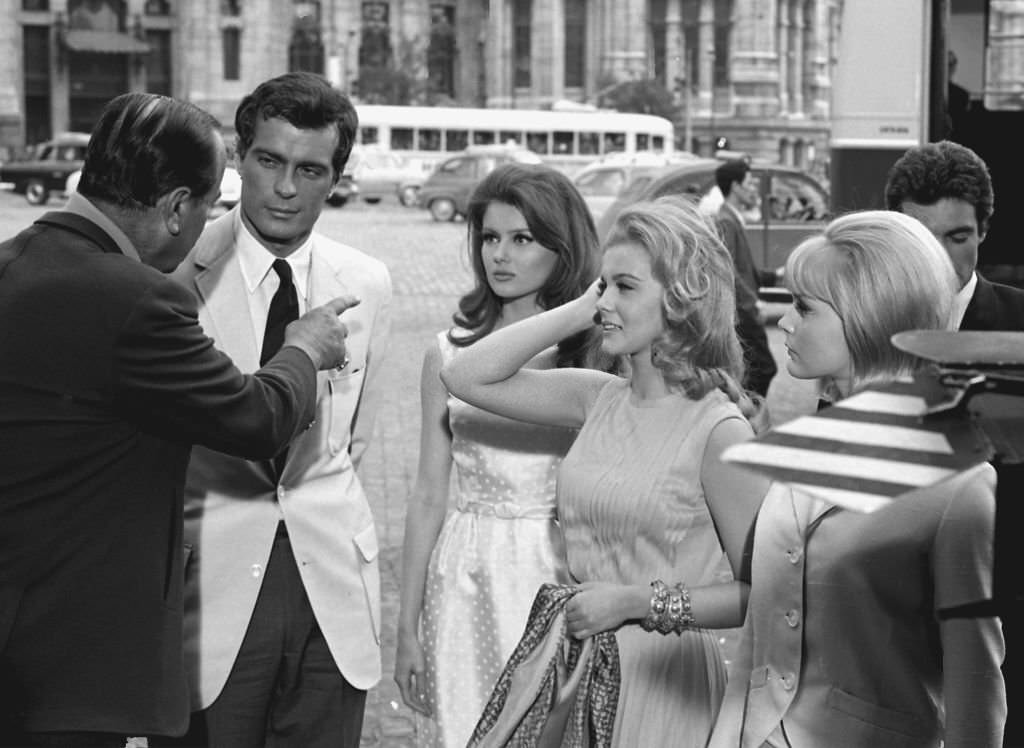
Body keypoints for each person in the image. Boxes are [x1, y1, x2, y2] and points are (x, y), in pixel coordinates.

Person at [0, 92, 355, 746]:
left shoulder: (14, 261)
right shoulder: (134, 298)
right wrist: (303, 346)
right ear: (176, 209)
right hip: (67, 655)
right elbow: (255, 417)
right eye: (209, 207)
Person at [441, 196, 771, 746]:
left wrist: (638, 601)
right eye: (602, 285)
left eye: (625, 286)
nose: (606, 303)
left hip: (664, 684)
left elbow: (762, 591)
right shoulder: (596, 398)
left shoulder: (719, 431)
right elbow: (466, 375)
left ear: (683, 299)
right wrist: (579, 309)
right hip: (576, 665)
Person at [709, 210, 1006, 748]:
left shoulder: (959, 483)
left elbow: (974, 677)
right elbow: (763, 639)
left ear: (868, 314)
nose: (785, 323)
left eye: (804, 307)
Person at [167, 73, 391, 748]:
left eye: (310, 169)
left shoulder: (368, 284)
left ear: (336, 178)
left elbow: (355, 440)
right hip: (211, 582)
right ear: (239, 159)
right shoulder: (176, 275)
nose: (286, 188)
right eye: (269, 161)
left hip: (331, 585)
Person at [394, 162, 599, 747]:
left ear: (562, 248)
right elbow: (429, 492)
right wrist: (407, 623)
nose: (500, 256)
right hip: (465, 572)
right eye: (489, 237)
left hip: (555, 570)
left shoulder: (591, 353)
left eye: (522, 239)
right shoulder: (447, 353)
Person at [885, 139, 1024, 331]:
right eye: (923, 239)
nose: (940, 257)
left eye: (957, 238)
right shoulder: (862, 321)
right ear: (897, 236)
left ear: (982, 230)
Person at [714, 159, 778, 397]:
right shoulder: (726, 221)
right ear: (736, 187)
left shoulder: (731, 217)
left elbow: (743, 268)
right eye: (750, 183)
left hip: (744, 310)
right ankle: (748, 417)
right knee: (763, 369)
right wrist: (753, 303)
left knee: (753, 371)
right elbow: (728, 269)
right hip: (743, 313)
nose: (754, 189)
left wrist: (773, 277)